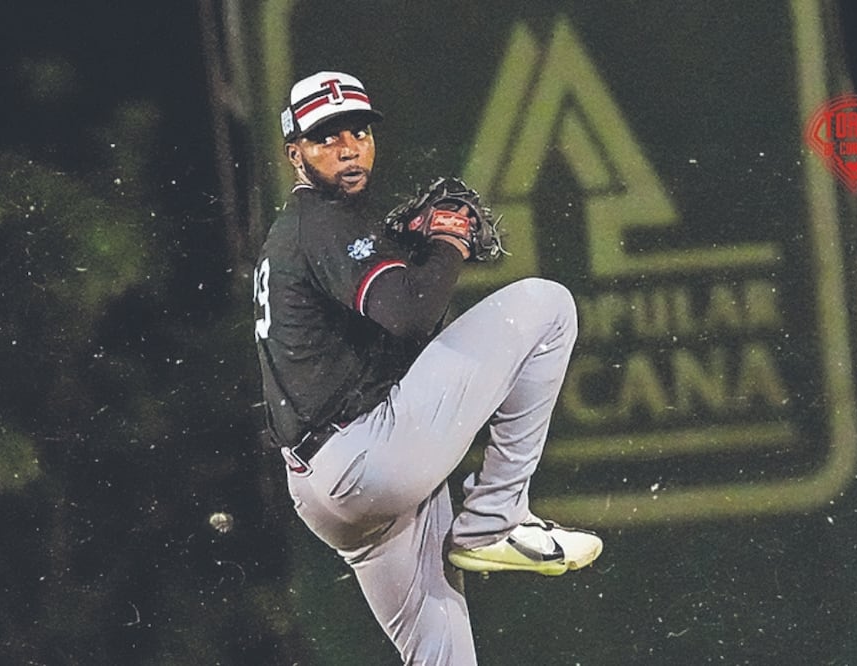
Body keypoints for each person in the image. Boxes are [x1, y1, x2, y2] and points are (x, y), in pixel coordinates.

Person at [252, 70, 603, 665]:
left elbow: (388, 333)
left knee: (443, 655)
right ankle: (495, 518)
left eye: (357, 132)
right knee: (547, 305)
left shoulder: (303, 234)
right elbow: (411, 314)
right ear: (296, 153)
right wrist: (448, 242)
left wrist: (413, 248)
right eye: (326, 137)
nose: (347, 148)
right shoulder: (323, 221)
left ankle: (489, 523)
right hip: (369, 456)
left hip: (324, 492)